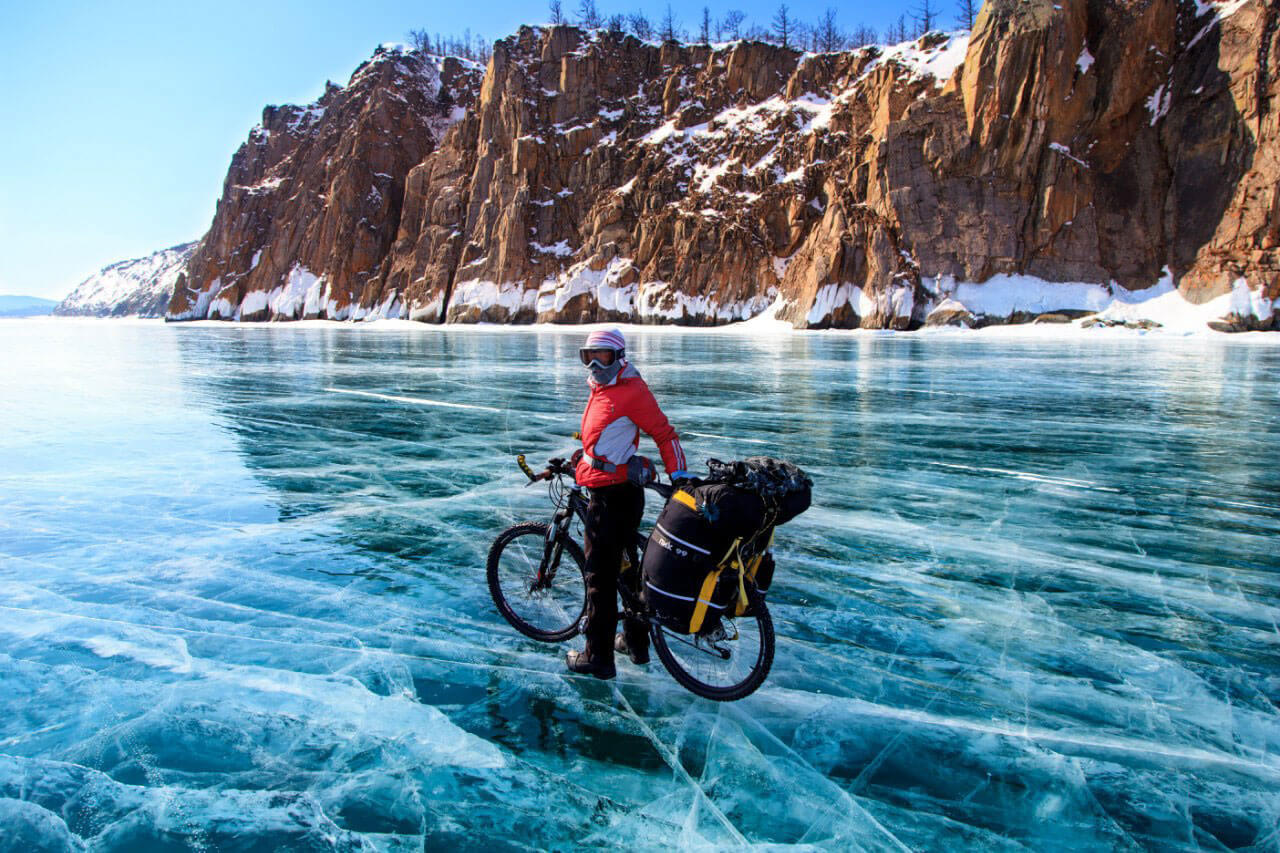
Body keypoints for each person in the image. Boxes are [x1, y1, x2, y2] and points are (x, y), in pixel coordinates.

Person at [567, 328, 688, 680]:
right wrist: (583, 458)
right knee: (625, 571)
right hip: (611, 491)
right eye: (587, 356)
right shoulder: (601, 388)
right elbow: (604, 439)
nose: (593, 364)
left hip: (611, 499)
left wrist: (679, 477)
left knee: (599, 577)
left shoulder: (631, 390)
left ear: (618, 356)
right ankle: (635, 644)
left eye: (601, 356)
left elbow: (665, 434)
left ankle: (597, 657)